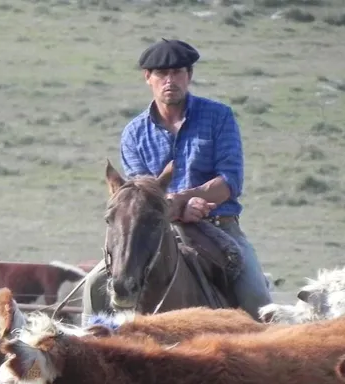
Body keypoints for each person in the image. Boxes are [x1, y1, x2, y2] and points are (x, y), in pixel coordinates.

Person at [82, 38, 272, 323]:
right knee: (94, 286)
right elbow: (141, 195)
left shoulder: (219, 117)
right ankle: (91, 352)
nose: (169, 80)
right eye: (161, 74)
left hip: (218, 227)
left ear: (189, 76)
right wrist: (180, 209)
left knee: (258, 301)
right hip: (156, 231)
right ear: (148, 78)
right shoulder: (134, 132)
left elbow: (230, 180)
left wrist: (186, 200)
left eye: (177, 72)